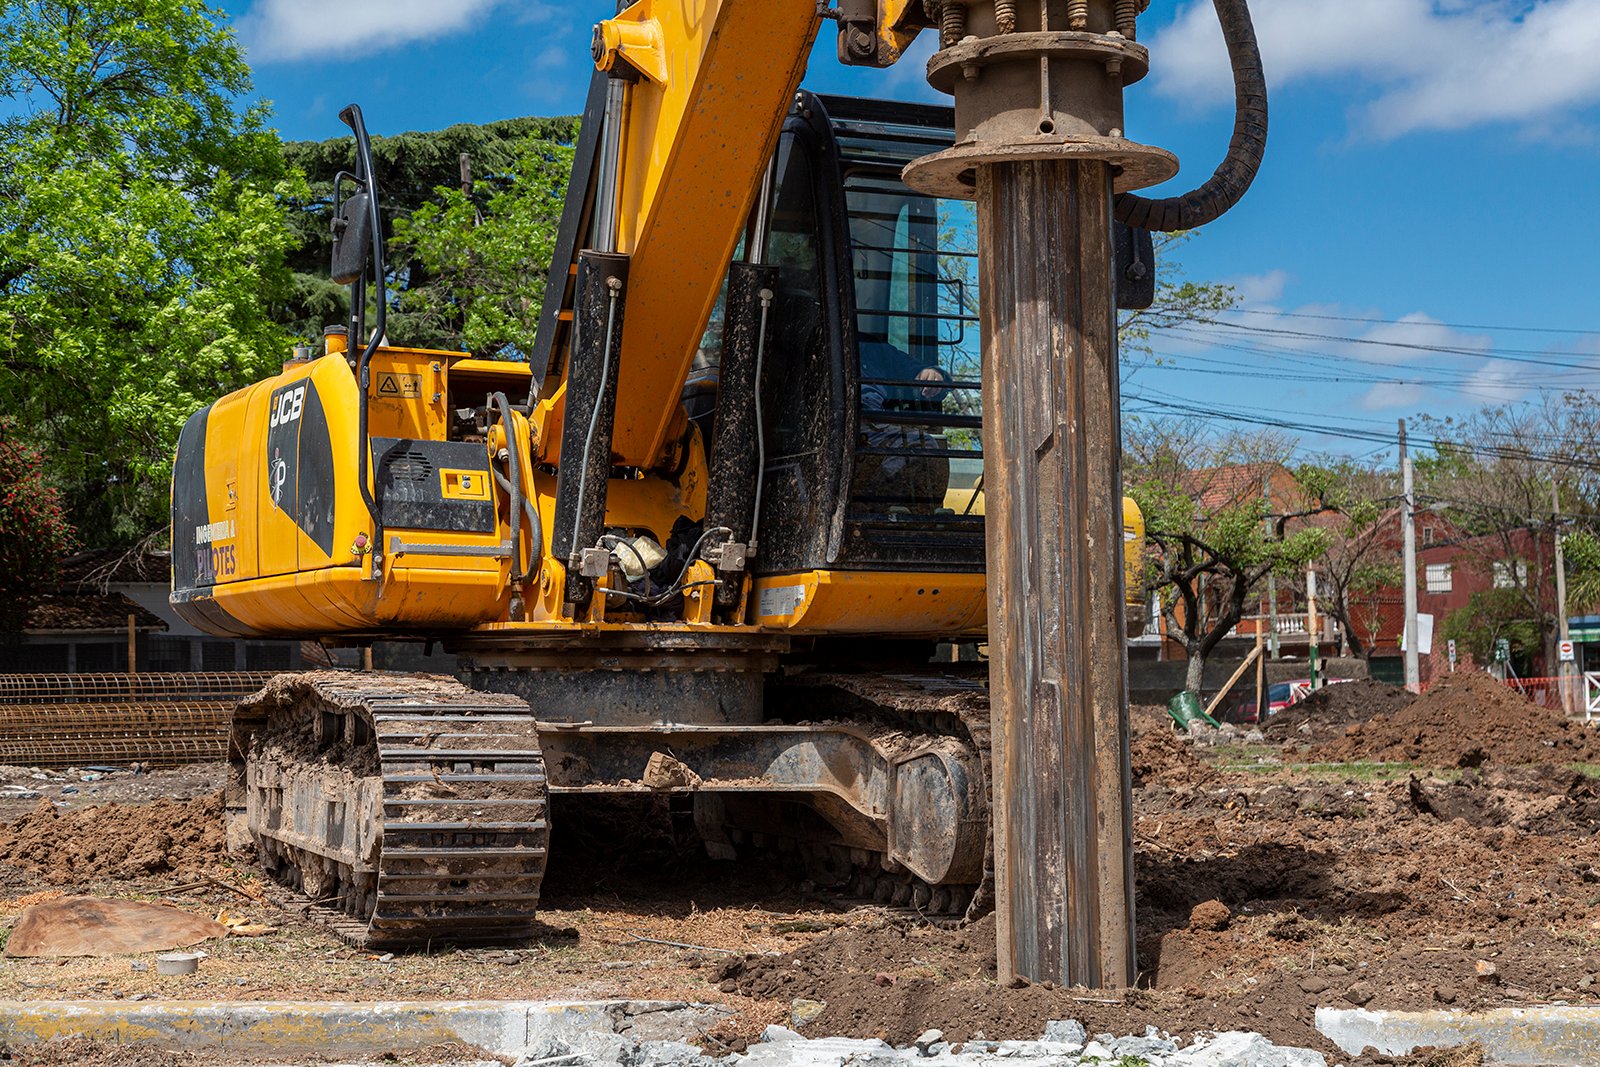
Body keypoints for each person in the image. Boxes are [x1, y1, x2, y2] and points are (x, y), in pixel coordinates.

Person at [855, 340, 951, 513]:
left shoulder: (874, 350)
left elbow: (912, 369)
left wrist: (931, 374)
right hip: (830, 422)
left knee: (923, 445)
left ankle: (870, 506)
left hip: (870, 425)